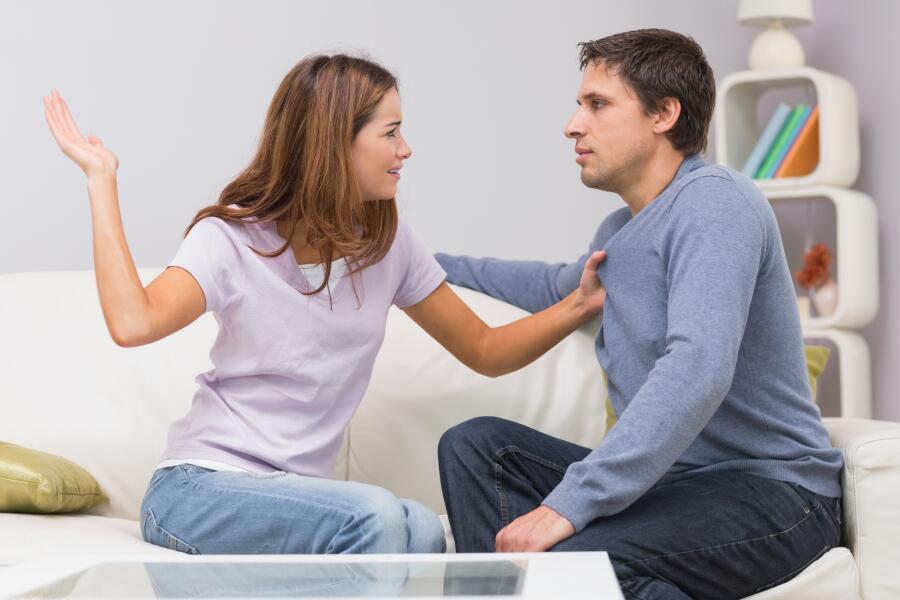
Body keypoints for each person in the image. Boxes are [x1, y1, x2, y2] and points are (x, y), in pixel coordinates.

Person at [43, 53, 606, 556]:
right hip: (197, 489)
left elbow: (484, 349)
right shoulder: (230, 240)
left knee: (422, 529)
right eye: (391, 132)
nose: (405, 149)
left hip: (297, 495)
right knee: (378, 516)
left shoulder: (389, 245)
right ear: (337, 142)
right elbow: (133, 322)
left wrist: (577, 307)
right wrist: (101, 181)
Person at [436, 29, 843, 599]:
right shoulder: (618, 234)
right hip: (672, 489)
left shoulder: (716, 201)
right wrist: (409, 264)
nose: (572, 125)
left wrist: (568, 506)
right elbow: (547, 286)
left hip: (773, 494)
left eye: (597, 104)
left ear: (663, 114)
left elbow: (698, 367)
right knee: (478, 446)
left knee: (570, 567)